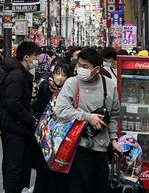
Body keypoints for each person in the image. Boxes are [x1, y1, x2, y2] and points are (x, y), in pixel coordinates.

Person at [56, 47, 121, 193]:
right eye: (79, 65)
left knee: (100, 186)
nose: (80, 69)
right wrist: (87, 117)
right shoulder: (72, 83)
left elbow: (114, 115)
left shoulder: (109, 85)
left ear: (97, 69)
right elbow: (60, 111)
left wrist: (113, 138)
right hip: (78, 146)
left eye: (85, 66)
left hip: (101, 148)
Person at [1, 41, 41, 193]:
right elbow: (13, 104)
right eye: (35, 56)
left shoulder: (20, 74)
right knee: (14, 167)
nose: (36, 59)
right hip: (14, 128)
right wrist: (30, 119)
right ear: (26, 57)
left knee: (22, 166)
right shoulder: (16, 75)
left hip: (20, 128)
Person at [32, 61, 70, 193]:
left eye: (64, 75)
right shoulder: (44, 87)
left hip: (61, 139)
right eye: (57, 73)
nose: (60, 77)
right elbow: (38, 109)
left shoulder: (69, 91)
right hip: (43, 138)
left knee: (57, 177)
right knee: (43, 176)